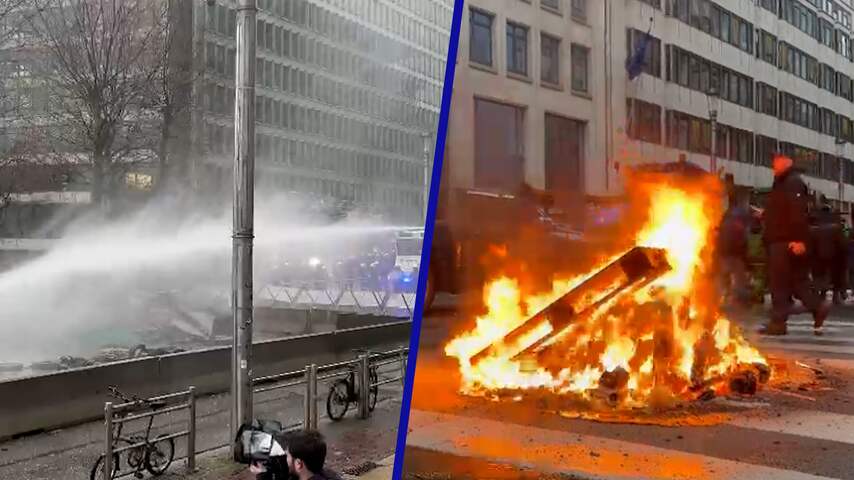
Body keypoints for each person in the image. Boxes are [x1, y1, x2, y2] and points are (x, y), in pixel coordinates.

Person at [760, 154, 830, 336]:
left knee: (779, 283)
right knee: (797, 281)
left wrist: (799, 239)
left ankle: (778, 323)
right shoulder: (785, 183)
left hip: (784, 241)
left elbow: (797, 213)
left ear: (787, 163)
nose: (773, 167)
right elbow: (783, 211)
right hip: (785, 239)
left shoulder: (792, 183)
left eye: (776, 163)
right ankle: (817, 306)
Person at [717, 193, 751, 306]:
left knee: (726, 275)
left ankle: (725, 297)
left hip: (726, 252)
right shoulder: (738, 218)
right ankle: (738, 299)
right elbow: (743, 237)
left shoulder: (726, 218)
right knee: (737, 276)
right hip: (733, 253)